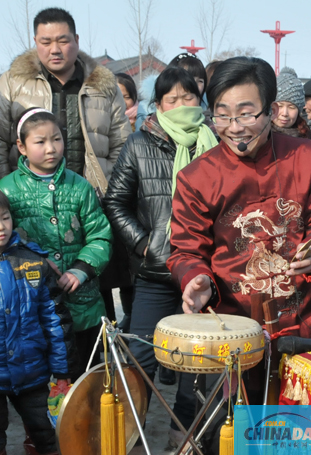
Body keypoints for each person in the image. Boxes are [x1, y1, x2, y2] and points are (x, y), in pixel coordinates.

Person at [167, 57, 311, 343]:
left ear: (271, 111)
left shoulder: (306, 156)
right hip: (231, 326)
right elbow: (186, 250)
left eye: (246, 114)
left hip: (305, 320)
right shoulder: (196, 177)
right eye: (223, 115)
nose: (234, 128)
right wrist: (195, 276)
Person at [104, 66, 218, 448]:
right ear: (158, 104)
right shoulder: (139, 144)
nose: (182, 105)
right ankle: (130, 431)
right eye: (173, 99)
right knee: (141, 356)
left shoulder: (216, 143)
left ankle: (183, 436)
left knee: (197, 364)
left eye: (189, 98)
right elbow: (115, 201)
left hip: (203, 273)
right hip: (156, 272)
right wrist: (144, 245)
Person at [0, 185, 75, 455]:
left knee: (48, 428)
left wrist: (62, 370)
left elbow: (55, 318)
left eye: (5, 218)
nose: (1, 227)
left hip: (32, 369)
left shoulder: (32, 261)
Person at [0, 108, 113, 377]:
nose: (51, 148)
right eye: (40, 142)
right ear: (21, 147)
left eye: (57, 139)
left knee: (88, 376)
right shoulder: (6, 190)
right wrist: (35, 261)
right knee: (47, 380)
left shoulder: (80, 186)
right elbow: (3, 242)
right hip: (34, 302)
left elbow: (100, 235)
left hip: (83, 302)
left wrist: (81, 269)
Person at [0, 7, 131, 191]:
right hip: (27, 199)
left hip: (91, 197)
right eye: (46, 42)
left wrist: (111, 190)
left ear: (77, 40)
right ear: (35, 42)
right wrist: (7, 192)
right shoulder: (13, 83)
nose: (55, 50)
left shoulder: (103, 85)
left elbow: (121, 143)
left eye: (63, 41)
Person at [135, 52, 208, 130]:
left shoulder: (208, 108)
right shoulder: (146, 109)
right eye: (188, 79)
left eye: (200, 81)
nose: (194, 86)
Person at [271, 67, 311, 139]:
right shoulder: (259, 139)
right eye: (280, 106)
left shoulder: (308, 140)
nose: (284, 113)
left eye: (291, 107)